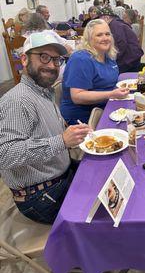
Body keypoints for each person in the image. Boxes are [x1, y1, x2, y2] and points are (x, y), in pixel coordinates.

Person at [0, 32, 91, 224]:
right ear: (24, 59)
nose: (51, 65)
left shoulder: (43, 91)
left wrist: (72, 133)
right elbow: (5, 154)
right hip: (41, 196)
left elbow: (45, 131)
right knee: (100, 213)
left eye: (56, 60)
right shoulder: (18, 100)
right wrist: (62, 141)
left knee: (101, 170)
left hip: (58, 176)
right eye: (44, 57)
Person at [60, 19, 129, 125]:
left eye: (107, 34)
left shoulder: (108, 55)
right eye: (99, 35)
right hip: (83, 117)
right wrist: (111, 94)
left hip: (104, 106)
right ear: (89, 38)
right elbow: (77, 97)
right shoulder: (81, 59)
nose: (105, 38)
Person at [98, 8, 144, 73]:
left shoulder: (114, 25)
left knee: (106, 68)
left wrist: (111, 58)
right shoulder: (116, 23)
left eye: (100, 20)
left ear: (106, 18)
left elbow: (121, 45)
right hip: (131, 57)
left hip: (130, 61)